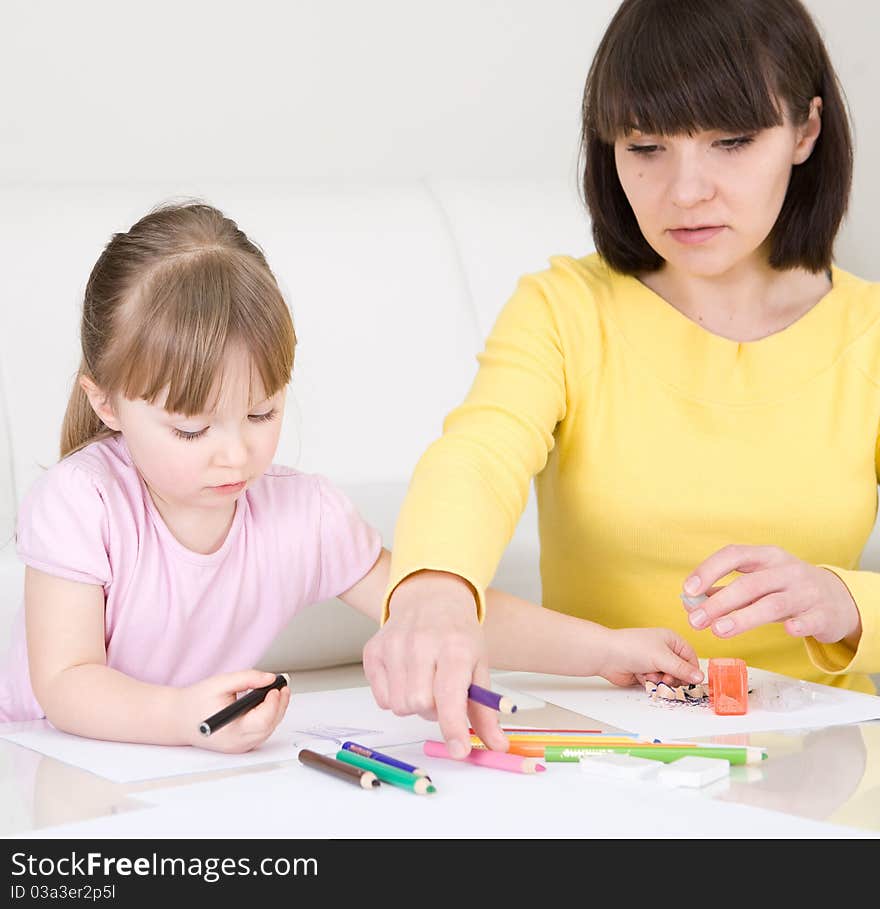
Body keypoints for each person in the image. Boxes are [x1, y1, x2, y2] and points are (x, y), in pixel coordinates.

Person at [365, 0, 880, 760]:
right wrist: (435, 585)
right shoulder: (564, 308)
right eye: (646, 146)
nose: (685, 190)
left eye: (731, 142)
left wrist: (847, 601)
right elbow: (479, 452)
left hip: (825, 760)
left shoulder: (867, 334)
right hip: (602, 754)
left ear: (806, 131)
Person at [0, 201, 703, 751]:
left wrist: (605, 649)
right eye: (191, 429)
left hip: (179, 766)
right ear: (105, 402)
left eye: (261, 412)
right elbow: (65, 683)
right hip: (46, 759)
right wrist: (181, 716)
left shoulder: (298, 516)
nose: (236, 454)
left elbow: (437, 614)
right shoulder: (80, 500)